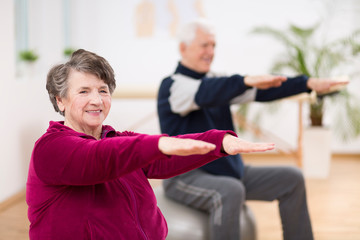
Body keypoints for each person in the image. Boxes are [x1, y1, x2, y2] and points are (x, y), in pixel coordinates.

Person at [25, 49, 275, 240]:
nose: (96, 100)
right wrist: (158, 145)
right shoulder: (50, 149)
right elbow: (99, 158)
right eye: (83, 91)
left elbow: (169, 151)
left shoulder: (117, 140)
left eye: (103, 90)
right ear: (60, 100)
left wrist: (220, 141)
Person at [157, 19, 349, 240]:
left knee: (292, 178)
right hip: (185, 177)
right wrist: (244, 80)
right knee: (230, 190)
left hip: (227, 171)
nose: (211, 51)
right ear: (183, 48)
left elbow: (262, 91)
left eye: (213, 45)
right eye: (204, 45)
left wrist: (307, 83)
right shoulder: (173, 86)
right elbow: (206, 92)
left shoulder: (220, 83)